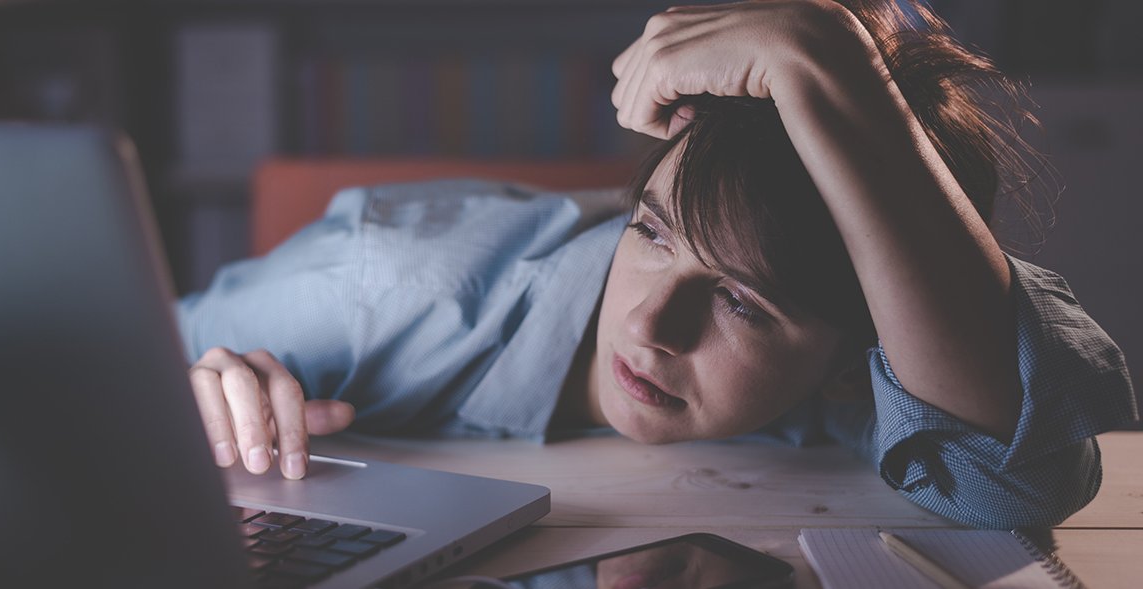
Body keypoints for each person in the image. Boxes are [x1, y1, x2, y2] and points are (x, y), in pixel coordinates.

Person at [176, 0, 1136, 529]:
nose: (650, 323)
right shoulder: (386, 286)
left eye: (745, 305)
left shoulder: (869, 379)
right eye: (652, 232)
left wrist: (831, 66)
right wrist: (184, 392)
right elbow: (72, 362)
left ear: (855, 352)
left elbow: (1005, 486)